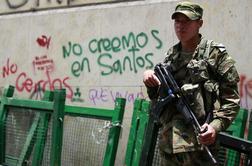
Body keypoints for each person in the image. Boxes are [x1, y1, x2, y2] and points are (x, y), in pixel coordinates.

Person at [143, 1, 240, 165]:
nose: (181, 26)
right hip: (169, 144)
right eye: (177, 21)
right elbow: (159, 99)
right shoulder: (171, 55)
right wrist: (150, 81)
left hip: (200, 146)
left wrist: (214, 127)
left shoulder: (215, 54)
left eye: (187, 21)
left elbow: (232, 100)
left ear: (200, 23)